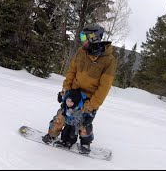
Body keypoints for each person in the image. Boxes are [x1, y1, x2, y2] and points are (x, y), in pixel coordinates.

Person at [42, 23, 117, 154]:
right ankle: (52, 134)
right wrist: (65, 90)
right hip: (74, 92)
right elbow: (71, 71)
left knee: (83, 123)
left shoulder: (108, 60)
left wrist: (92, 105)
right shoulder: (81, 51)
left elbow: (104, 87)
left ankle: (85, 143)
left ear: (93, 38)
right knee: (62, 115)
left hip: (89, 98)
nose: (81, 40)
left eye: (84, 37)